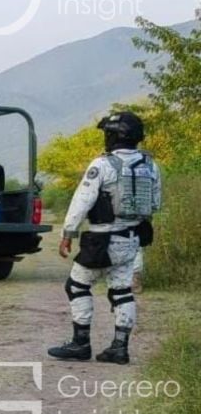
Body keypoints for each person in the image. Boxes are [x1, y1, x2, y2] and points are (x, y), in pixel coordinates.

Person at [49, 111, 161, 365]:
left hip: (102, 239)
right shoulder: (150, 165)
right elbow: (154, 203)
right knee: (122, 291)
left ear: (114, 136)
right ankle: (119, 348)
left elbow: (82, 201)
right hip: (132, 239)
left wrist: (68, 232)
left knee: (77, 285)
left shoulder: (102, 164)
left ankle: (80, 343)